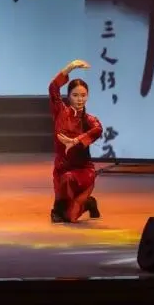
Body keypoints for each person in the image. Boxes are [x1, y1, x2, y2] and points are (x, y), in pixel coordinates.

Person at [49, 59, 104, 223]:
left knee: (71, 217)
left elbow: (98, 129)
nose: (80, 99)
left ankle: (88, 202)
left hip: (82, 171)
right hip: (62, 168)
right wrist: (70, 68)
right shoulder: (60, 111)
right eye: (75, 95)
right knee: (65, 180)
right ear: (68, 96)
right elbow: (53, 87)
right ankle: (57, 209)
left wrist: (75, 141)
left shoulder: (89, 119)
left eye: (83, 95)